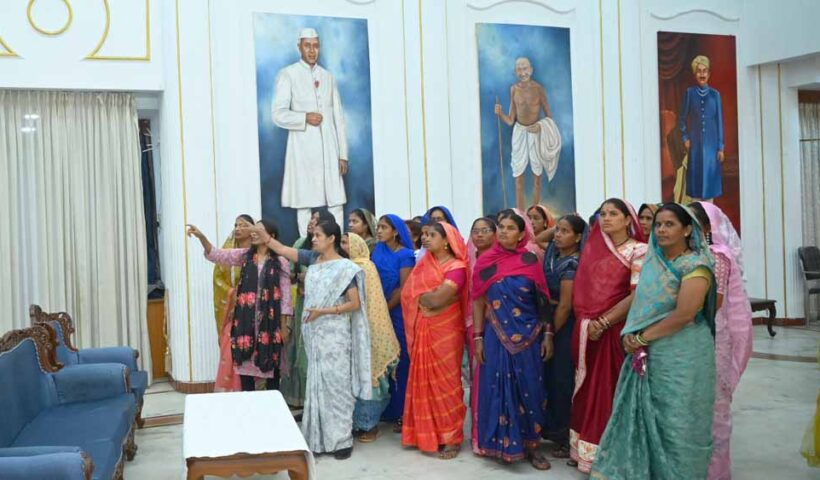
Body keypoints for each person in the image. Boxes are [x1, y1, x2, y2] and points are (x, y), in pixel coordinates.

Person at [591, 203, 717, 479]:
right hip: (650, 352)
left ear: (687, 229)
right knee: (646, 417)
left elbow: (684, 314)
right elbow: (639, 300)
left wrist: (640, 337)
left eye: (670, 224)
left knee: (677, 421)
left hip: (683, 354)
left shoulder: (696, 266)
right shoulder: (654, 263)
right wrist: (632, 333)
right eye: (658, 224)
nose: (661, 230)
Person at [261, 219, 372, 460]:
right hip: (314, 335)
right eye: (314, 235)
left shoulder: (345, 268)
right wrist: (264, 236)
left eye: (318, 235)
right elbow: (282, 249)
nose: (313, 239)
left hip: (335, 336)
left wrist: (324, 311)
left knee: (337, 385)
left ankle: (341, 440)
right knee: (317, 385)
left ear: (332, 239)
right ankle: (318, 439)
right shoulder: (312, 259)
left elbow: (354, 304)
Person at [569, 198, 647, 473]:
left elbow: (636, 295)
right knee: (589, 389)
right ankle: (586, 450)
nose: (607, 218)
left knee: (610, 391)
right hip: (588, 331)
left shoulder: (639, 250)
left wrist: (603, 322)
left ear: (628, 220)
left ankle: (610, 455)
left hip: (617, 331)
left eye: (614, 213)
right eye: (603, 214)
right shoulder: (593, 249)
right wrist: (591, 324)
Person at [472, 209, 552, 469]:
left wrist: (548, 334)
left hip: (530, 336)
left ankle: (533, 447)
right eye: (501, 227)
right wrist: (478, 337)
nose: (504, 231)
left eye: (510, 228)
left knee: (531, 389)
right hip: (496, 335)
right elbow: (478, 301)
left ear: (521, 234)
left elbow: (542, 300)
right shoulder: (486, 262)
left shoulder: (530, 259)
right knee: (496, 388)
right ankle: (501, 445)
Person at [187, 219, 293, 392]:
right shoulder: (245, 256)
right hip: (245, 323)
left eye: (258, 230)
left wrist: (283, 327)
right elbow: (217, 255)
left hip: (270, 324)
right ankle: (248, 404)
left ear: (271, 236)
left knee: (272, 370)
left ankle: (272, 406)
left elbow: (286, 297)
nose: (253, 233)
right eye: (253, 230)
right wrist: (201, 237)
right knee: (245, 368)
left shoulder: (281, 262)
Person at [690, 202, 753, 480]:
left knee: (714, 408)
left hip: (711, 337)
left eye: (692, 221)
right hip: (690, 335)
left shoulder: (716, 256)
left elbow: (710, 305)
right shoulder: (685, 255)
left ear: (707, 226)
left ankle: (715, 472)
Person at [401, 221, 469, 459]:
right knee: (424, 380)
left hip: (447, 331)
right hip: (424, 327)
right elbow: (409, 295)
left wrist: (430, 299)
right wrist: (432, 298)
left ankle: (451, 438)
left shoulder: (457, 266)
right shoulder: (423, 265)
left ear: (446, 241)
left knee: (447, 383)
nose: (425, 238)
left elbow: (438, 298)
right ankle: (425, 434)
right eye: (424, 234)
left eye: (432, 235)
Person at [272, 28, 349, 236]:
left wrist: (343, 154)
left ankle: (338, 245)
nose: (312, 50)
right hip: (303, 150)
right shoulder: (288, 74)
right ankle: (307, 247)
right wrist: (304, 117)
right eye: (307, 46)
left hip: (330, 148)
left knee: (336, 201)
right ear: (299, 47)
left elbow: (339, 118)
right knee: (304, 203)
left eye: (315, 46)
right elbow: (278, 114)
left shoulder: (328, 77)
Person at [343, 232, 401, 443]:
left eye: (346, 242)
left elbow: (372, 302)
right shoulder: (344, 266)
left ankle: (370, 425)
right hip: (348, 327)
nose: (343, 245)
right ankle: (354, 423)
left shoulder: (365, 267)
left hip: (368, 328)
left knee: (370, 376)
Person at [543, 214, 587, 458]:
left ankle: (563, 437)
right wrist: (558, 226)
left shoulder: (572, 263)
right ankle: (550, 430)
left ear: (579, 237)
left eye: (565, 231)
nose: (558, 235)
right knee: (548, 377)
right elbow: (536, 239)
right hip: (546, 319)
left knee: (562, 380)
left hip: (563, 325)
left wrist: (549, 333)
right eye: (557, 230)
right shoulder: (552, 254)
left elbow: (565, 306)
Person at [281, 209, 335, 407]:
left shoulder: (334, 255)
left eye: (317, 220)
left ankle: (317, 401)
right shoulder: (300, 244)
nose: (311, 222)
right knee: (298, 348)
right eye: (311, 218)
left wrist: (311, 277)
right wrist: (300, 279)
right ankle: (300, 398)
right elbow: (290, 274)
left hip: (324, 308)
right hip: (303, 302)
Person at [494, 57, 562, 212]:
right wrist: (500, 113)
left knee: (537, 176)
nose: (522, 72)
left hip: (535, 132)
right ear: (515, 72)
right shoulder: (514, 89)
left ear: (531, 70)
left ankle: (535, 213)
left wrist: (540, 126)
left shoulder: (538, 89)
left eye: (525, 68)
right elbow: (510, 120)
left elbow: (549, 116)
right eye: (519, 69)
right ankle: (520, 214)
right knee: (519, 177)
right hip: (519, 132)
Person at [372, 214, 417, 430]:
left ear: (396, 231)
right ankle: (387, 408)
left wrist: (385, 309)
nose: (379, 231)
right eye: (378, 227)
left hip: (397, 312)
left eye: (383, 227)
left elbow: (403, 287)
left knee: (401, 359)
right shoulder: (377, 251)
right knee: (383, 357)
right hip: (377, 310)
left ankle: (403, 411)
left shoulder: (406, 255)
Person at [465, 216, 497, 453]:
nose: (479, 235)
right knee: (476, 374)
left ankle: (491, 432)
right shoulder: (467, 259)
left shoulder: (500, 258)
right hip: (471, 322)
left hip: (497, 323)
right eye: (475, 231)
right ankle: (478, 434)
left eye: (485, 230)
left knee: (492, 375)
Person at [680, 55, 725, 201]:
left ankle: (710, 212)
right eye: (699, 71)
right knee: (696, 183)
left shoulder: (715, 95)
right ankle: (696, 211)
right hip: (695, 145)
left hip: (712, 146)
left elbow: (720, 122)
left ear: (709, 73)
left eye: (705, 71)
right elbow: (682, 119)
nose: (702, 74)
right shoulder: (690, 93)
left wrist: (721, 147)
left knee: (710, 184)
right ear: (695, 74)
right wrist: (685, 138)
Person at [213, 214, 254, 334]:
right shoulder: (227, 253)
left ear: (252, 229)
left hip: (253, 307)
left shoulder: (258, 253)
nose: (237, 228)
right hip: (232, 307)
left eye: (242, 225)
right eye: (236, 225)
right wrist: (231, 293)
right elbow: (217, 278)